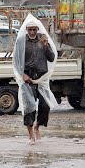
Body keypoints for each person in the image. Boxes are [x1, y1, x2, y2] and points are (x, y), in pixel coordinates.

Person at [13, 15, 58, 145]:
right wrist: (22, 75)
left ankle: (38, 126)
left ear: (37, 29)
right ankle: (31, 135)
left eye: (34, 29)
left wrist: (45, 46)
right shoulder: (21, 41)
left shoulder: (43, 39)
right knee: (29, 108)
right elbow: (16, 61)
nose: (32, 32)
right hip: (27, 79)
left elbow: (51, 58)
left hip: (41, 79)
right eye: (30, 30)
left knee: (45, 106)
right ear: (26, 30)